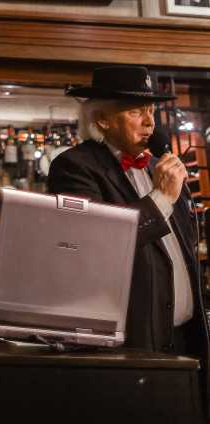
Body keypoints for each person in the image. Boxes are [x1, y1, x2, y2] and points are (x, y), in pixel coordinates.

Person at [48, 65, 209, 366]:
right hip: (130, 342)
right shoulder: (74, 167)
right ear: (102, 119)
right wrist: (161, 198)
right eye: (136, 111)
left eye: (151, 111)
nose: (150, 122)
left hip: (186, 337)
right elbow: (95, 244)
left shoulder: (159, 166)